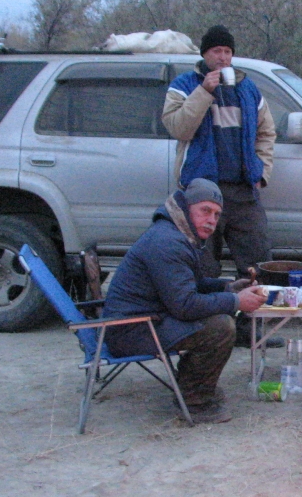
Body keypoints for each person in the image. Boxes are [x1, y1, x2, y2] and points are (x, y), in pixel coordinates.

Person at [101, 179, 266, 424]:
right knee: (220, 327)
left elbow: (189, 284)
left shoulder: (176, 233)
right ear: (187, 208)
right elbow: (185, 305)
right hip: (132, 330)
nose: (212, 220)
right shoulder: (168, 242)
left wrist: (227, 286)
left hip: (143, 321)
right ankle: (195, 401)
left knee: (219, 315)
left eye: (217, 214)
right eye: (205, 211)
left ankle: (192, 385)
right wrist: (235, 301)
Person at [162, 25, 276, 284]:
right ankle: (209, 322)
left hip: (243, 191)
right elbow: (178, 128)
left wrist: (262, 171)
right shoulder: (184, 85)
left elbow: (267, 133)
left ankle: (249, 323)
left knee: (256, 264)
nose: (222, 57)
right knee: (202, 266)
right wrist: (204, 92)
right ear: (204, 54)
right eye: (216, 51)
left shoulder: (248, 89)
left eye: (227, 52)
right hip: (201, 189)